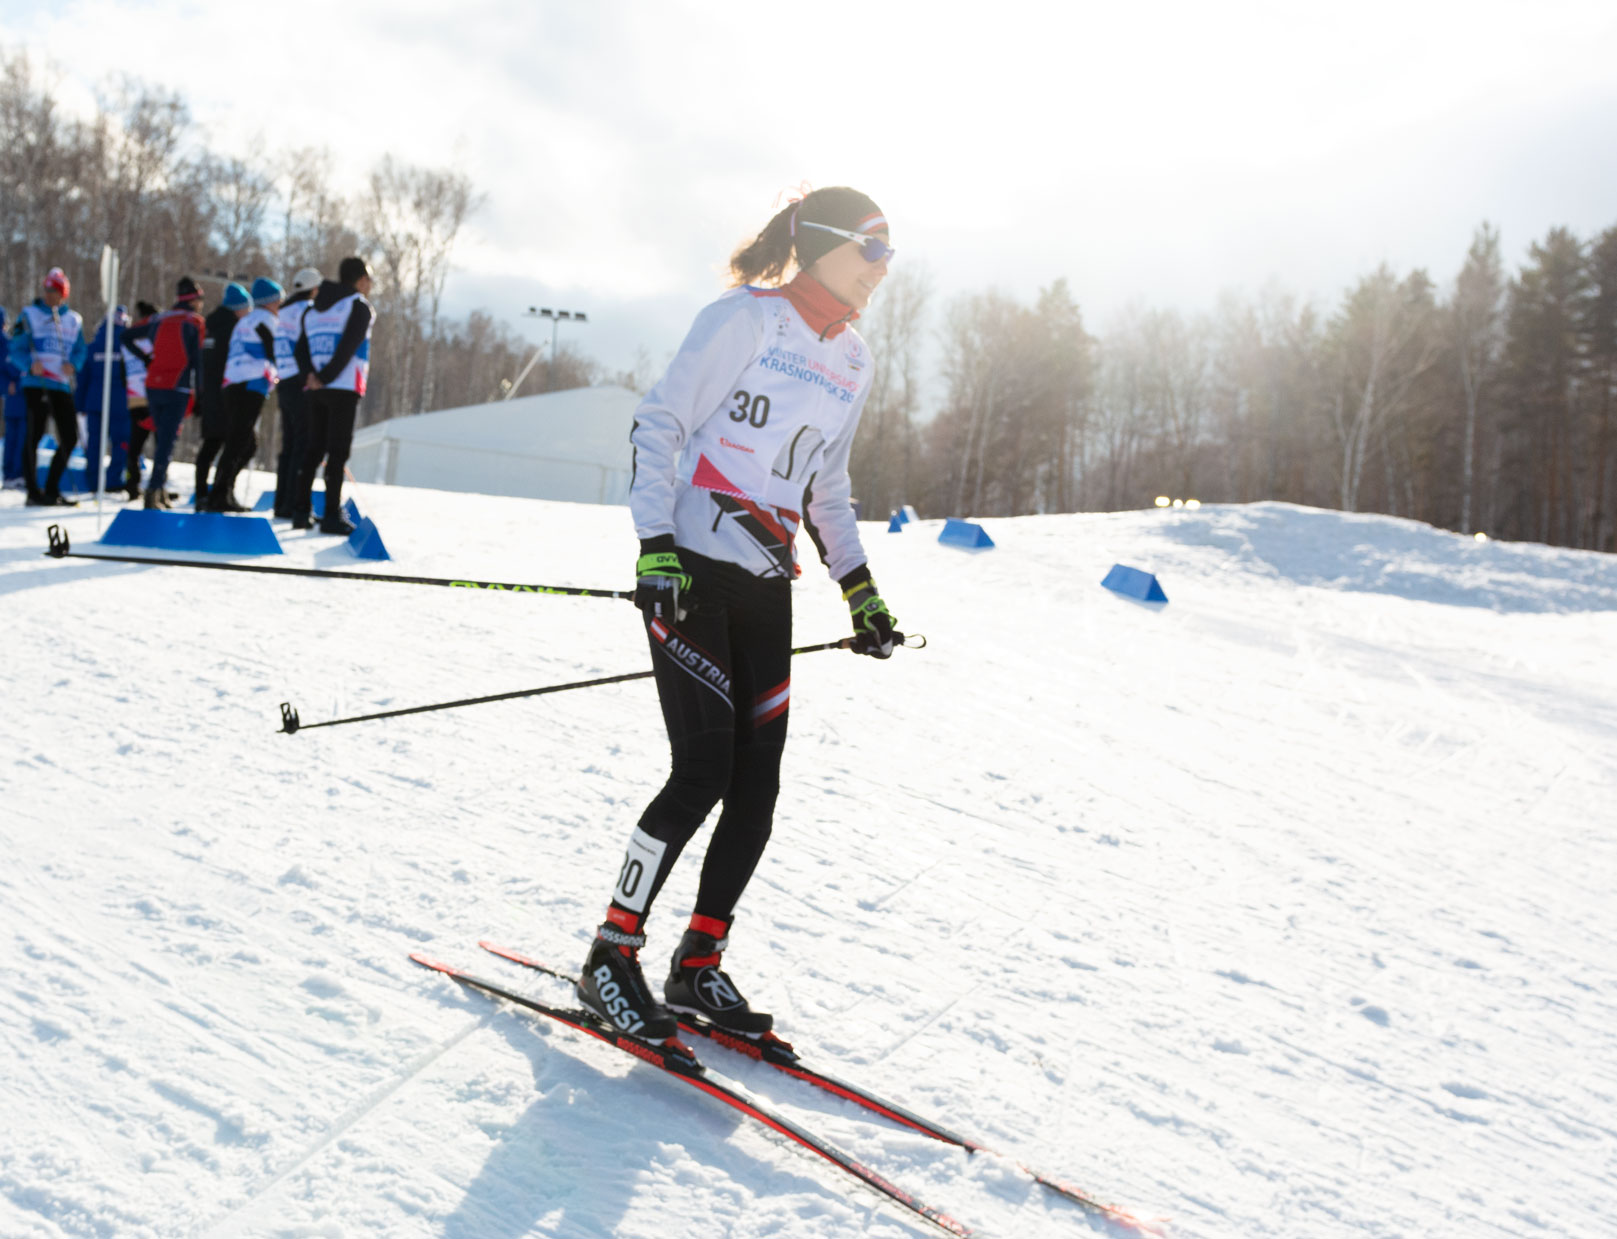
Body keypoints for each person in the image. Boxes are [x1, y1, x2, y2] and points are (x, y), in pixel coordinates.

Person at [574, 186, 900, 1042]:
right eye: (872, 251)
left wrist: (858, 586)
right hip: (691, 571)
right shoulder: (744, 321)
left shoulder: (854, 360)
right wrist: (652, 544)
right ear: (824, 247)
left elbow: (825, 483)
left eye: (889, 256)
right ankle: (611, 954)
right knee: (702, 769)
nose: (881, 271)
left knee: (757, 783)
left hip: (766, 583)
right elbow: (660, 423)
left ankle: (697, 964)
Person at [291, 256, 374, 535]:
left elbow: (300, 350)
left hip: (316, 388)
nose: (371, 285)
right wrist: (325, 377)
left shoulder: (313, 309)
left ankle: (300, 511)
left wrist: (311, 377)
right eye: (370, 279)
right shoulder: (358, 306)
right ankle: (330, 516)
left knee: (313, 448)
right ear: (361, 280)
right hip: (343, 385)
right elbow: (349, 346)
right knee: (337, 453)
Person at [10, 267, 90, 506]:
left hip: (61, 385)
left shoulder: (74, 320)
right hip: (37, 383)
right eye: (47, 289)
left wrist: (73, 364)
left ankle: (52, 488)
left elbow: (80, 350)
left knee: (69, 436)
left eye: (54, 290)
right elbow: (16, 347)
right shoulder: (30, 314)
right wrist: (28, 363)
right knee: (34, 434)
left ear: (63, 293)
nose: (49, 294)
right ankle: (33, 491)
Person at [125, 277, 205, 509]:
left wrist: (146, 358)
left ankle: (157, 490)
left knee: (163, 439)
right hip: (176, 387)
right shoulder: (194, 322)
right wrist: (200, 393)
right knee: (166, 442)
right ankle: (153, 492)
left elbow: (126, 336)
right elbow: (198, 361)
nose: (201, 303)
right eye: (199, 299)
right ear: (193, 300)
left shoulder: (159, 318)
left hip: (153, 385)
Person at [207, 277, 282, 511]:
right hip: (250, 384)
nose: (281, 304)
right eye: (279, 299)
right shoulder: (267, 320)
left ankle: (224, 491)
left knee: (246, 442)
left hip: (233, 383)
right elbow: (274, 351)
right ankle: (219, 495)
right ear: (271, 301)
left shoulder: (245, 321)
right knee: (240, 441)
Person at [194, 282, 250, 509]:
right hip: (228, 394)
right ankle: (221, 492)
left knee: (211, 444)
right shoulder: (234, 328)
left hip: (208, 393)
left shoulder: (209, 325)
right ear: (239, 308)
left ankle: (203, 494)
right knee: (242, 443)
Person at [272, 268, 320, 517]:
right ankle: (293, 503)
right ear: (313, 289)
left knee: (289, 443)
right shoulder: (306, 310)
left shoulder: (283, 311)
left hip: (284, 380)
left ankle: (281, 503)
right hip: (299, 381)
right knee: (302, 443)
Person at [75, 305, 131, 495]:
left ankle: (93, 482)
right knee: (121, 443)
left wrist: (79, 404)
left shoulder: (93, 347)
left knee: (95, 445)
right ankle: (114, 481)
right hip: (121, 404)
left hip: (95, 403)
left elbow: (82, 379)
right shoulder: (127, 346)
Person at [122, 301, 158, 500]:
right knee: (161, 444)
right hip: (154, 395)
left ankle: (132, 484)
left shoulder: (129, 338)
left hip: (135, 396)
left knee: (135, 445)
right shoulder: (155, 336)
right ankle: (156, 487)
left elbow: (121, 370)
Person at [1, 305, 26, 491]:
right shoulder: (9, 345)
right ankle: (16, 473)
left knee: (11, 437)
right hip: (21, 399)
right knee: (19, 438)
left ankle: (9, 473)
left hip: (11, 401)